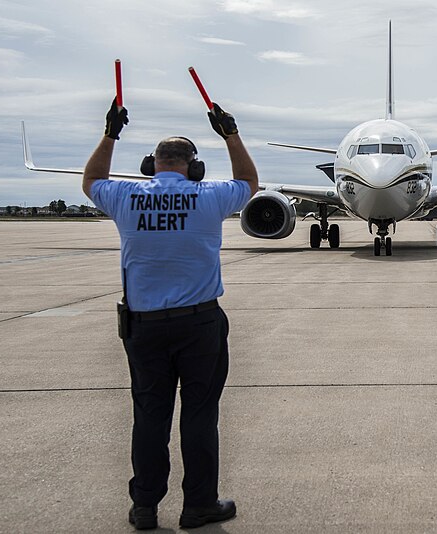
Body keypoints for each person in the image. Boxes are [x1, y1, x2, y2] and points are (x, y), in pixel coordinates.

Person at [83, 98, 258, 530]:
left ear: (150, 164)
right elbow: (249, 181)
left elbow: (91, 180)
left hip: (143, 328)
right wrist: (229, 133)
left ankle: (145, 507)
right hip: (199, 325)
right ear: (193, 167)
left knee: (149, 415)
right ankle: (198, 505)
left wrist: (110, 132)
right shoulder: (211, 195)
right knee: (199, 414)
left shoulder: (124, 195)